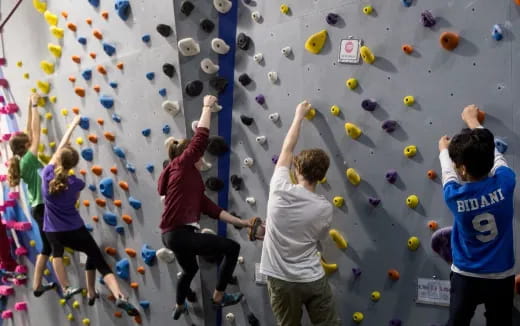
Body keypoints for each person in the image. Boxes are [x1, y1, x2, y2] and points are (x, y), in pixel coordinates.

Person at [159, 95, 257, 320]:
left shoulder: (191, 184)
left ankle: (179, 304)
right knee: (231, 248)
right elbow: (200, 138)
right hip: (180, 234)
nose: (202, 159)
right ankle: (218, 297)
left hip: (171, 236)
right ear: (191, 156)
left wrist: (242, 223)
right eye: (199, 156)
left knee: (190, 270)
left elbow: (214, 210)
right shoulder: (182, 167)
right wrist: (206, 107)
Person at [42, 115, 139, 316]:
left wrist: (70, 127)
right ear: (74, 165)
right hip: (76, 230)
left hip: (54, 231)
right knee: (99, 260)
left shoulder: (46, 176)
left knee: (57, 253)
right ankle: (120, 295)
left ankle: (72, 288)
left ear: (58, 160)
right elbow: (75, 198)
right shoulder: (77, 183)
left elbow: (60, 148)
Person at [260, 100, 340, 326]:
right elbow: (318, 238)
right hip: (311, 277)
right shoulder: (324, 208)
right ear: (321, 177)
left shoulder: (279, 188)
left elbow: (287, 148)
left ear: (296, 170)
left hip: (281, 280)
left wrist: (299, 116)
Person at [438, 104, 516, 326]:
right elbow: (497, 156)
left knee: (457, 322)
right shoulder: (506, 182)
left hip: (466, 275)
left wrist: (443, 150)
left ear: (461, 168)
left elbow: (447, 173)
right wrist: (473, 122)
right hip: (501, 274)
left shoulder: (454, 196)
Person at [7, 93, 56, 297]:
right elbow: (35, 131)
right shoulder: (28, 159)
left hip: (38, 207)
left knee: (47, 247)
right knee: (54, 246)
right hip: (43, 207)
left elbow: (28, 130)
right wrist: (35, 104)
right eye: (29, 142)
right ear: (26, 147)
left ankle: (36, 285)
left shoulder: (22, 159)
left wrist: (29, 106)